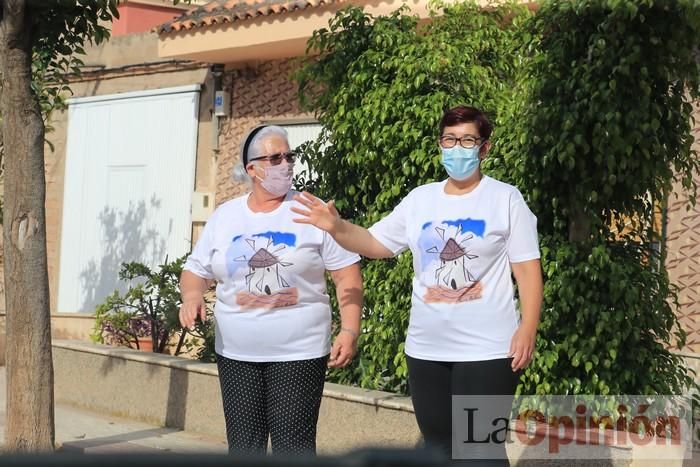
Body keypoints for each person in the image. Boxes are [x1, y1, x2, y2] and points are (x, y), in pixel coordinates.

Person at [292, 106, 543, 465]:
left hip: (487, 351)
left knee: (479, 449)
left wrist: (528, 327)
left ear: (484, 148)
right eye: (450, 140)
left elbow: (527, 269)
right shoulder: (421, 199)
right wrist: (336, 227)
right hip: (427, 349)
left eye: (467, 140)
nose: (458, 148)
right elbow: (376, 243)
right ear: (440, 144)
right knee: (439, 450)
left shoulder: (505, 198)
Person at [179, 125, 363, 457]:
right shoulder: (226, 217)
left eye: (288, 156)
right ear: (252, 168)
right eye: (275, 158)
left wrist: (350, 329)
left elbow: (346, 273)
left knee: (293, 448)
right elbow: (196, 270)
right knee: (244, 448)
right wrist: (191, 296)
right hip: (236, 352)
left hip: (299, 352)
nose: (286, 164)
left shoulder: (310, 210)